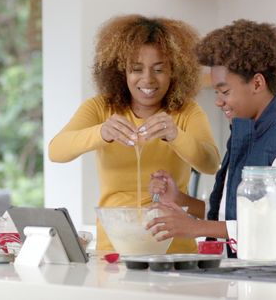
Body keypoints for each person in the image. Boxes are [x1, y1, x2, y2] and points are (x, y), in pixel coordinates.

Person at [147, 19, 276, 263]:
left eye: (225, 91)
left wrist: (194, 227)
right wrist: (179, 200)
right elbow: (226, 213)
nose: (218, 101)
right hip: (251, 275)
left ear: (257, 83)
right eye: (216, 92)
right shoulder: (244, 134)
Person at [48, 14, 220, 253]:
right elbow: (56, 150)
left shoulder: (187, 112)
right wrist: (102, 132)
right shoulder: (101, 108)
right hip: (114, 249)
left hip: (174, 249)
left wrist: (175, 135)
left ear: (175, 72)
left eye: (159, 69)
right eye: (136, 69)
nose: (147, 79)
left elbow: (210, 163)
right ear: (121, 72)